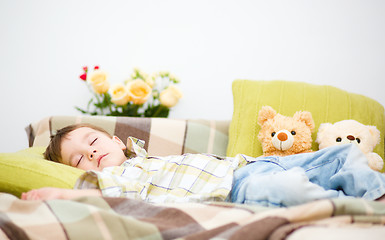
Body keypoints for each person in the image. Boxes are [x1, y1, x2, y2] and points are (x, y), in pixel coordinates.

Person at [21, 123, 385, 207]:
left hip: (252, 163)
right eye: (79, 159)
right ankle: (344, 204)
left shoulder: (139, 155)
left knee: (341, 155)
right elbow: (100, 194)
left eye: (93, 141)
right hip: (238, 188)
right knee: (287, 188)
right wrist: (59, 192)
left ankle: (376, 194)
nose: (91, 154)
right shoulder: (117, 178)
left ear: (116, 141)